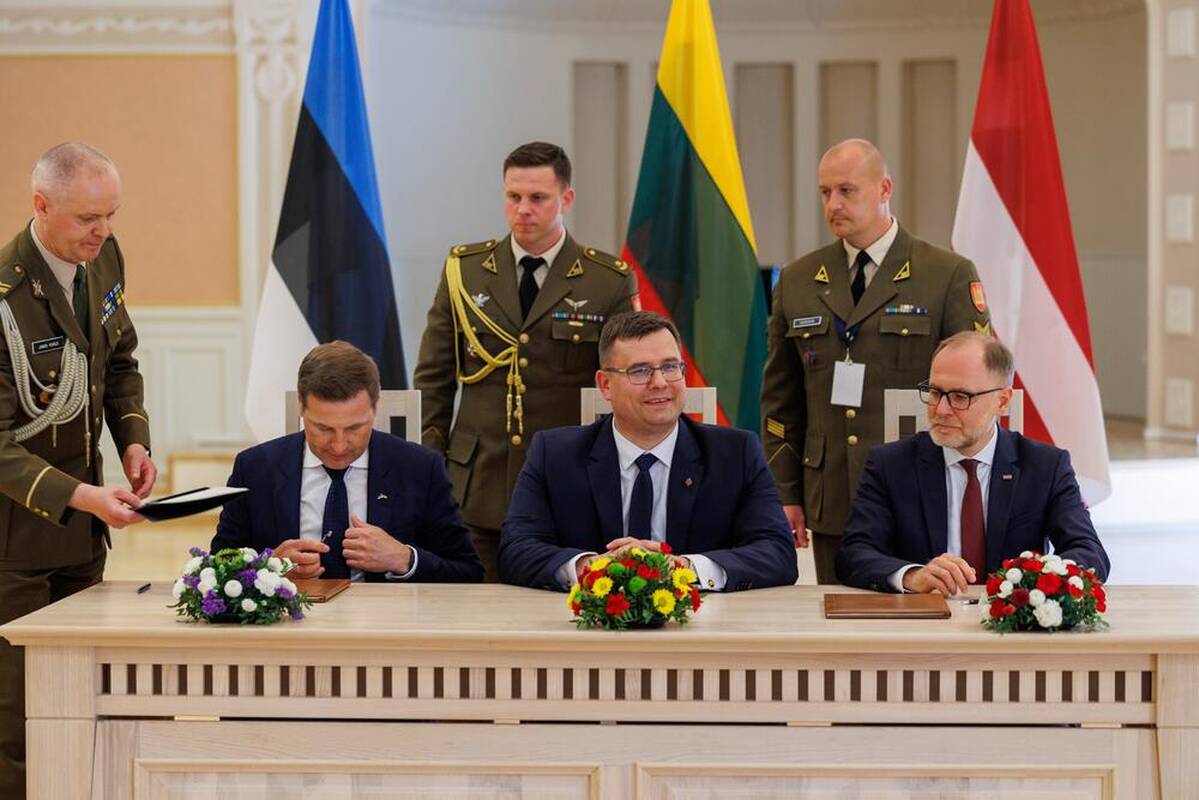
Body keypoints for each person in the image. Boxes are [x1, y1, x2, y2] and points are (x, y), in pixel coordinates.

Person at [761, 138, 992, 584]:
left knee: (929, 609)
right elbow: (780, 401)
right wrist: (784, 490)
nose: (833, 204)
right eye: (825, 192)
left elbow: (976, 389)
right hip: (833, 491)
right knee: (839, 615)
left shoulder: (945, 274)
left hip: (923, 486)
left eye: (847, 190)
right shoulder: (798, 280)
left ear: (885, 188)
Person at [0, 142, 155, 799]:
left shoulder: (104, 259)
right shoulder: (6, 297)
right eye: (88, 218)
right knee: (17, 714)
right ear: (41, 205)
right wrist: (84, 495)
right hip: (15, 540)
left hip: (81, 534)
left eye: (111, 214)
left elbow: (118, 361)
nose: (103, 231)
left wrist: (134, 441)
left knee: (83, 695)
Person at [414, 141, 638, 581]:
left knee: (565, 605)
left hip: (569, 483)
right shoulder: (465, 270)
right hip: (477, 483)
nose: (523, 210)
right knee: (472, 608)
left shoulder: (606, 280)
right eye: (513, 196)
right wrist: (431, 465)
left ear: (566, 199)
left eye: (538, 198)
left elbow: (623, 382)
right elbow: (433, 379)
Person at [498, 311, 797, 591]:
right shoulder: (554, 454)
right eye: (640, 371)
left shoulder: (735, 454)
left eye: (670, 367)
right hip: (587, 624)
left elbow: (778, 553)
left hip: (705, 623)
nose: (660, 383)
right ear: (605, 385)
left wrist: (684, 568)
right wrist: (592, 567)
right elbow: (515, 550)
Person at [835, 332, 1110, 593]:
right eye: (935, 392)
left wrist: (1031, 587)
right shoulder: (890, 465)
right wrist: (912, 576)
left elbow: (1089, 553)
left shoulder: (1045, 467)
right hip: (924, 617)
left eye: (960, 397)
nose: (941, 410)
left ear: (1002, 401)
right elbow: (853, 553)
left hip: (1013, 621)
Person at [213, 341, 483, 583]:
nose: (339, 446)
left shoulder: (420, 468)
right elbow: (215, 569)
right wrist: (268, 567)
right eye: (323, 428)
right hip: (291, 620)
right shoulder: (255, 469)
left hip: (387, 619)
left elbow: (468, 572)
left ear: (375, 407)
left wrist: (404, 559)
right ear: (301, 406)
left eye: (354, 428)